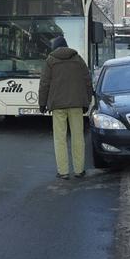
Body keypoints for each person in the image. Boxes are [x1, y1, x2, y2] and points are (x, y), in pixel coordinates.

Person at [38, 36, 93, 180]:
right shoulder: (78, 60)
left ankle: (63, 172)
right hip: (76, 104)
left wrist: (42, 103)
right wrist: (87, 100)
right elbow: (87, 80)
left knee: (60, 138)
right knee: (78, 137)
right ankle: (79, 170)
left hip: (57, 105)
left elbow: (44, 84)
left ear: (55, 47)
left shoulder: (50, 61)